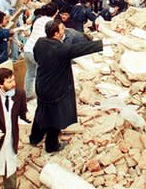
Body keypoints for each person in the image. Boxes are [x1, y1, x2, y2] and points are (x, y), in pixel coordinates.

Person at [29, 20, 104, 153]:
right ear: (56, 33)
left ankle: (35, 138)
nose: (64, 31)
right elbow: (80, 49)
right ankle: (51, 146)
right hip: (55, 90)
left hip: (41, 85)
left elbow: (36, 57)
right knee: (55, 117)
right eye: (62, 29)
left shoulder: (40, 43)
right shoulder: (61, 49)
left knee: (41, 112)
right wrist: (100, 44)